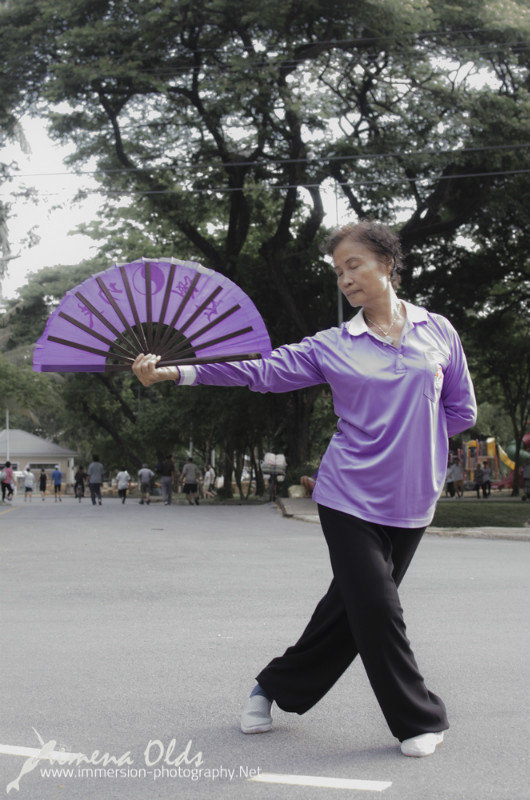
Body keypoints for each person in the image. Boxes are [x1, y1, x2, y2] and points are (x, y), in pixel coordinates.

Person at [132, 219, 477, 759]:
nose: (345, 279)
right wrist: (177, 373)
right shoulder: (332, 346)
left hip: (414, 500)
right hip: (348, 497)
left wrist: (416, 443)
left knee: (349, 612)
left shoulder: (440, 332)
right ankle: (418, 718)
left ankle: (271, 687)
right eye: (339, 272)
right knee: (379, 608)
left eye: (354, 265)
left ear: (387, 264)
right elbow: (260, 371)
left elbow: (461, 409)